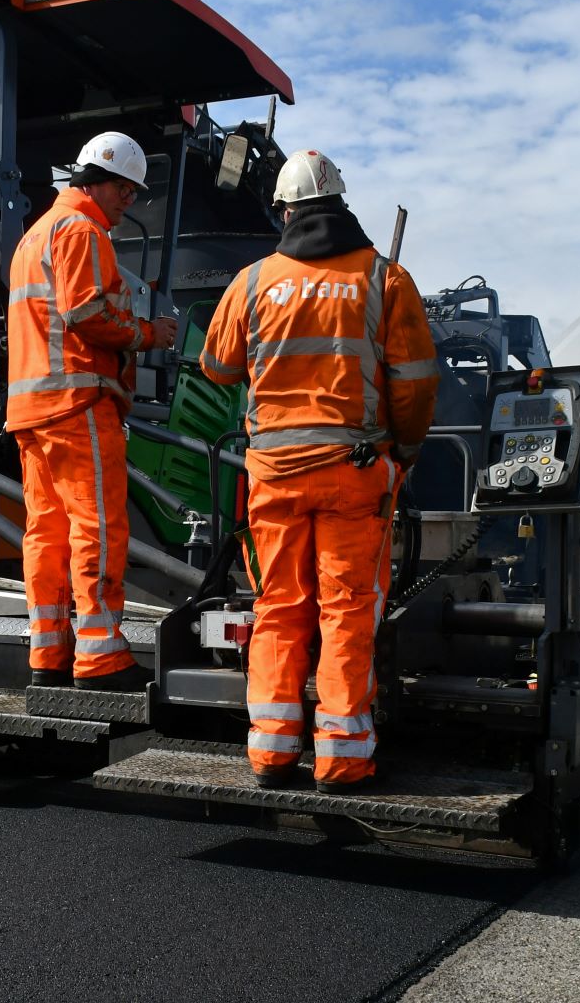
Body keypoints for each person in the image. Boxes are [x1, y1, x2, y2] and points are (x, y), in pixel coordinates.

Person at [198, 149, 439, 793]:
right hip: (353, 473)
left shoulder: (253, 281)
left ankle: (272, 753)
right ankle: (342, 758)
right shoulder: (385, 279)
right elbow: (415, 384)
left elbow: (216, 367)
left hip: (274, 475)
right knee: (347, 611)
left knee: (279, 607)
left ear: (285, 212)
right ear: (341, 204)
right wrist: (405, 450)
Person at [7, 132, 178, 690]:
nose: (129, 202)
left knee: (46, 532)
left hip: (32, 408)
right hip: (78, 401)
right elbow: (86, 312)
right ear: (100, 182)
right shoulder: (82, 230)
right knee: (97, 527)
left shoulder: (35, 235)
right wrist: (149, 334)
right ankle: (101, 657)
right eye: (125, 190)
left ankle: (48, 654)